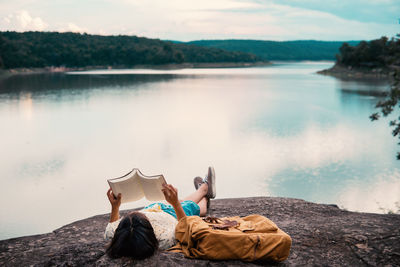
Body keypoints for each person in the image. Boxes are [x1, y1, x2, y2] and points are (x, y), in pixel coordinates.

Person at [104, 167, 216, 259]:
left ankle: (200, 192)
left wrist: (115, 207)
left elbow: (112, 225)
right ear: (149, 228)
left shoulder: (117, 237)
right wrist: (176, 204)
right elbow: (185, 230)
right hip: (171, 215)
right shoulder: (165, 238)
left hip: (153, 209)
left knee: (182, 202)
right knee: (191, 207)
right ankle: (204, 191)